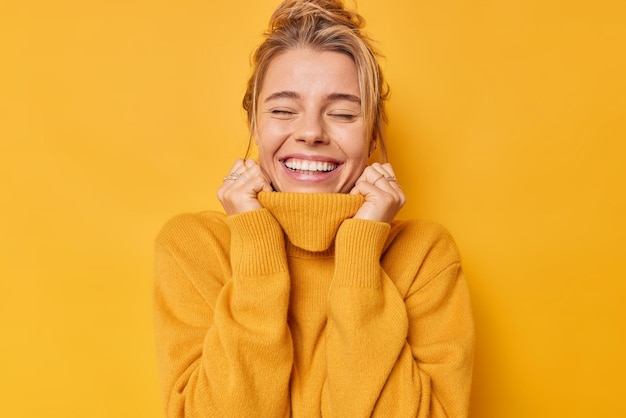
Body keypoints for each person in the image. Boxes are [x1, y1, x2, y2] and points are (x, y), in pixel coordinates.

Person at [153, 0, 474, 416]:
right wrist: (256, 248)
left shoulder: (425, 255)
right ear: (254, 124)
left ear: (373, 132)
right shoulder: (195, 247)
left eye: (342, 113)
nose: (310, 132)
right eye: (283, 110)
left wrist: (360, 252)